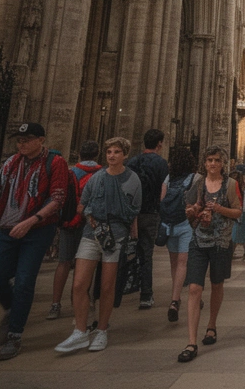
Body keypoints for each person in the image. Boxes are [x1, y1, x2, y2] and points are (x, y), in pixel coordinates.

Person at [0, 122, 71, 361]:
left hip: (37, 231)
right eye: (19, 140)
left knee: (25, 280)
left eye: (27, 139)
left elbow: (57, 198)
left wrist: (32, 221)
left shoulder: (55, 163)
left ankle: (15, 335)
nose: (22, 144)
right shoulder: (10, 164)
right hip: (6, 228)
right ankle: (13, 309)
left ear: (41, 140)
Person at [55, 137, 141, 354]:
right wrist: (90, 214)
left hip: (116, 238)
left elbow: (134, 211)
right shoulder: (97, 178)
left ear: (125, 155)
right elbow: (82, 204)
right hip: (91, 234)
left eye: (116, 152)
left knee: (106, 287)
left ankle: (101, 329)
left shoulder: (133, 180)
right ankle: (80, 331)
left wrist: (130, 236)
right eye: (109, 152)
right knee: (79, 284)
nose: (112, 155)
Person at [177, 146, 242, 363]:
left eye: (216, 160)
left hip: (221, 242)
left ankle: (212, 325)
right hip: (198, 241)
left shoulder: (231, 185)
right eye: (209, 160)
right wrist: (192, 211)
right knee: (194, 288)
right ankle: (191, 342)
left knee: (216, 285)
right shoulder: (197, 185)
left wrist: (219, 209)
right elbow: (189, 207)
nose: (212, 164)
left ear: (223, 163)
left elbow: (238, 211)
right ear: (204, 163)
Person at [47, 141, 103, 321]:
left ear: (79, 154)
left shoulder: (70, 172)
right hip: (90, 223)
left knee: (63, 262)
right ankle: (82, 300)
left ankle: (55, 304)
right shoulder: (102, 173)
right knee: (87, 264)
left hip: (70, 221)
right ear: (97, 154)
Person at [126, 128, 168, 309]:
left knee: (124, 253)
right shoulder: (162, 164)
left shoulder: (132, 161)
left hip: (130, 215)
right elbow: (163, 192)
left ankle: (120, 289)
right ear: (159, 144)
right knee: (146, 254)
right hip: (150, 213)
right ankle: (146, 294)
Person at [161, 145, 198, 322]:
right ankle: (176, 300)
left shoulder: (168, 178)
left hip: (170, 224)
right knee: (184, 263)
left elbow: (161, 200)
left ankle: (177, 297)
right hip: (186, 224)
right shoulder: (196, 178)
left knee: (175, 264)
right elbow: (200, 201)